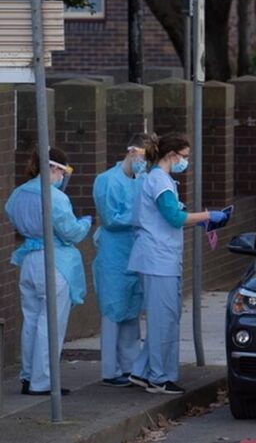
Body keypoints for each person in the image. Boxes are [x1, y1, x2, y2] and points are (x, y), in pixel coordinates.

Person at [127, 133, 225, 395]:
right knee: (164, 320)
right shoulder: (159, 180)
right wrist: (206, 216)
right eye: (184, 157)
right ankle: (159, 378)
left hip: (159, 258)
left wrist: (202, 221)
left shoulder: (160, 179)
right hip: (158, 260)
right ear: (172, 155)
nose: (185, 162)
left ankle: (141, 371)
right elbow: (173, 216)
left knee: (164, 316)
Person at [6, 147, 91, 396]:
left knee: (31, 320)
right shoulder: (55, 197)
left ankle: (27, 375)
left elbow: (11, 215)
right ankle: (42, 381)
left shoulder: (18, 194)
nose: (63, 178)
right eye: (63, 172)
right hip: (55, 263)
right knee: (50, 323)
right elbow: (70, 232)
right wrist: (84, 223)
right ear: (54, 168)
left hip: (28, 260)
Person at [92, 134, 153, 387]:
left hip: (134, 251)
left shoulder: (142, 180)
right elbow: (110, 218)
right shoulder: (107, 181)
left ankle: (130, 366)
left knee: (130, 311)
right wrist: (141, 215)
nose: (145, 164)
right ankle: (110, 370)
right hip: (114, 254)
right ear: (132, 152)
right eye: (144, 158)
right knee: (113, 310)